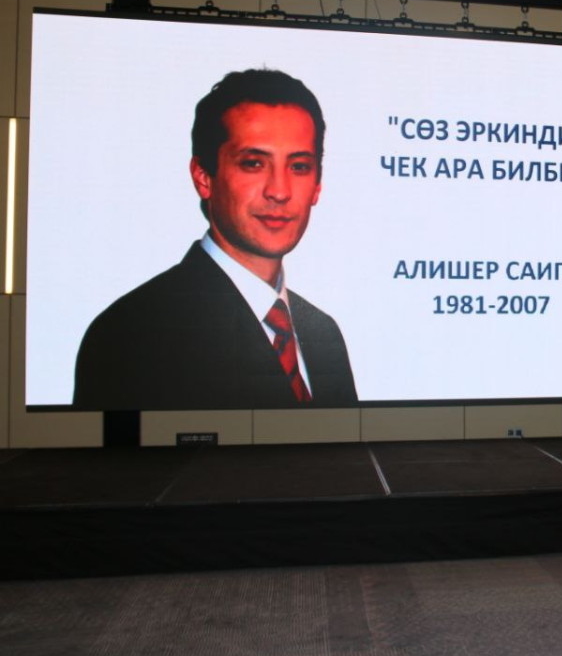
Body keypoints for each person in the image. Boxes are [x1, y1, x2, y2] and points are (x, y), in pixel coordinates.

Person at [74, 69, 357, 410]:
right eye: (253, 163)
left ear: (317, 186)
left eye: (298, 167)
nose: (279, 191)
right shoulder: (132, 333)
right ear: (203, 177)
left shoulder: (323, 334)